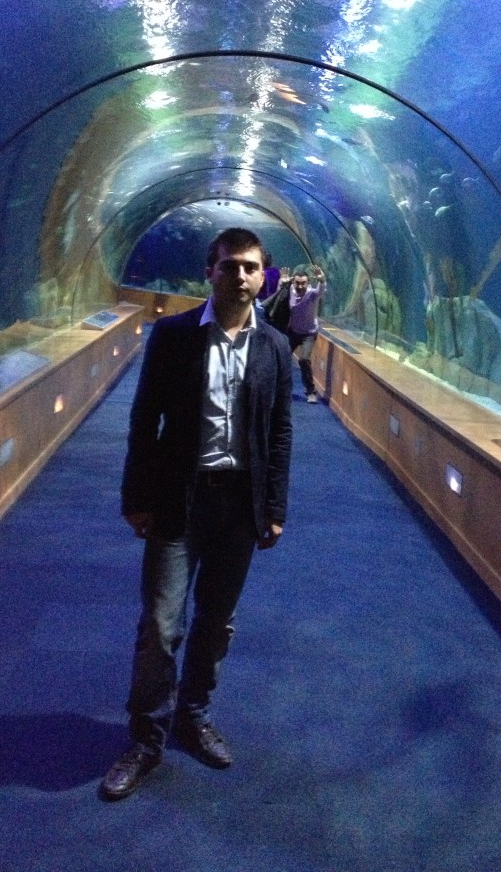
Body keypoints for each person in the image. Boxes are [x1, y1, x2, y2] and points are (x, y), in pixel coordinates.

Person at [101, 227, 293, 801]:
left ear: (263, 276)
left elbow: (279, 433)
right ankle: (146, 738)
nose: (240, 276)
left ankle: (194, 714)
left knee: (216, 621)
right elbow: (144, 419)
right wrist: (136, 497)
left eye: (250, 267)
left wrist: (274, 506)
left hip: (240, 504)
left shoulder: (275, 346)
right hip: (179, 497)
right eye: (229, 265)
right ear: (209, 272)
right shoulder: (173, 335)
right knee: (161, 626)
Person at [286, 264, 326, 403]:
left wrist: (321, 280)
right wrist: (282, 283)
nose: (300, 286)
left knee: (303, 359)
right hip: (293, 332)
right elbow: (278, 295)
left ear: (308, 283)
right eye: (297, 283)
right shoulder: (290, 291)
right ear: (293, 282)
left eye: (303, 283)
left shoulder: (312, 294)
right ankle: (281, 388)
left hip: (308, 334)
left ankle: (310, 391)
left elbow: (321, 290)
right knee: (281, 357)